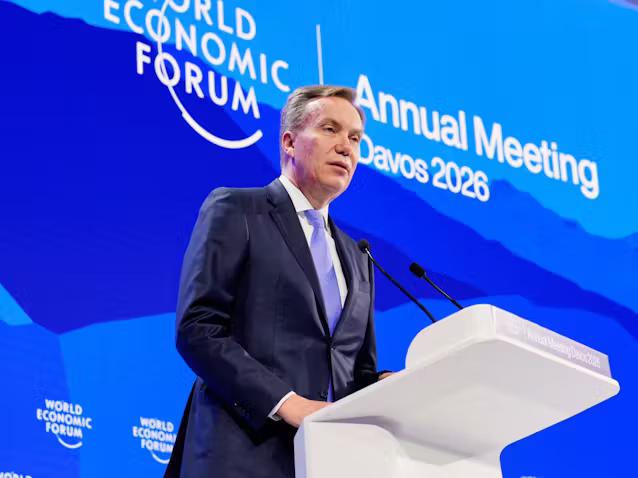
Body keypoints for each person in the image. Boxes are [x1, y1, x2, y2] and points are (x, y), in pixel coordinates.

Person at [165, 85, 390, 478]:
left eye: (355, 138)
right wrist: (287, 402)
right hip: (241, 456)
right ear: (289, 142)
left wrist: (392, 387)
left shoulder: (359, 258)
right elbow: (198, 329)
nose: (346, 147)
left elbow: (357, 371)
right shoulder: (237, 209)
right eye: (330, 129)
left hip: (326, 464)